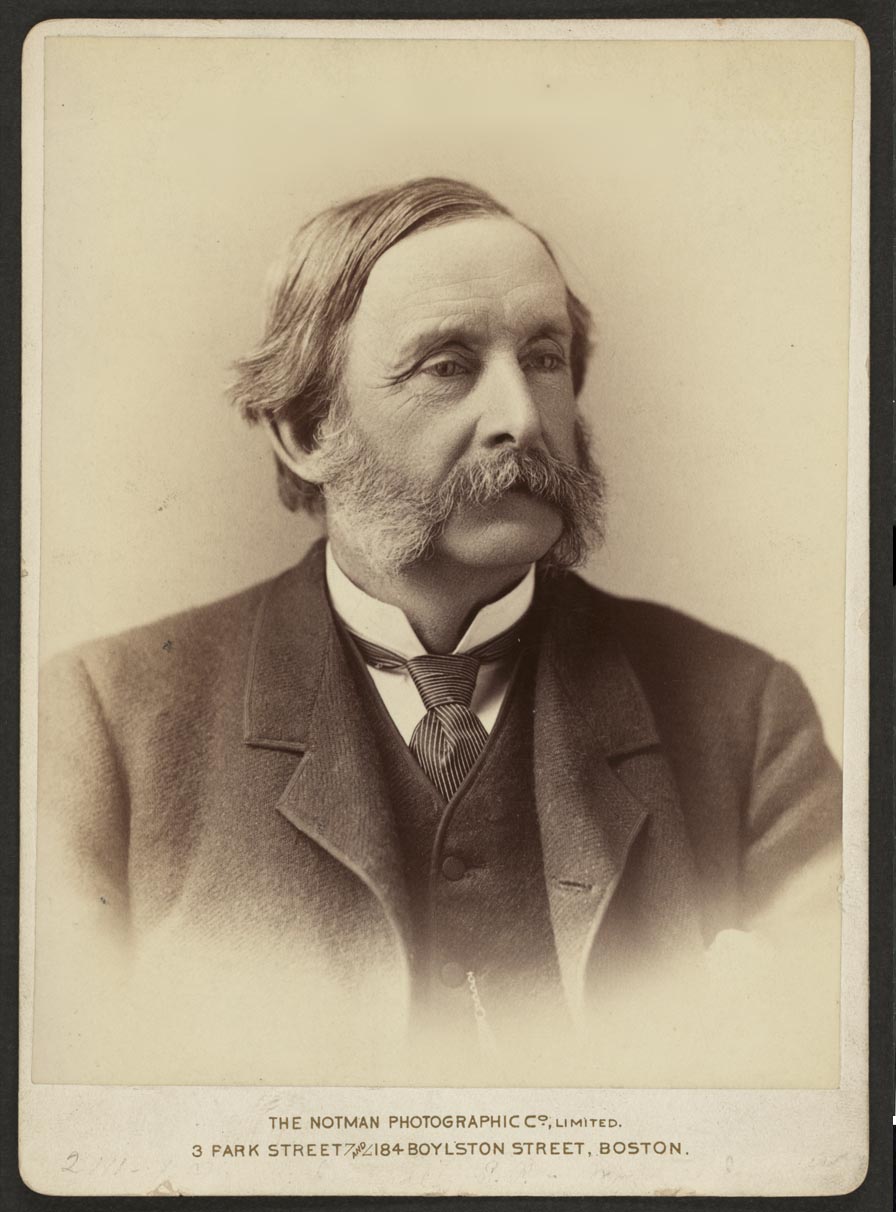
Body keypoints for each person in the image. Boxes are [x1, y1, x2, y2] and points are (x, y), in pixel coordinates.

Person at [35, 178, 841, 1087]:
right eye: (448, 366)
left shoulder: (747, 712)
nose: (524, 420)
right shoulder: (105, 721)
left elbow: (814, 1087)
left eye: (545, 357)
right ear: (306, 430)